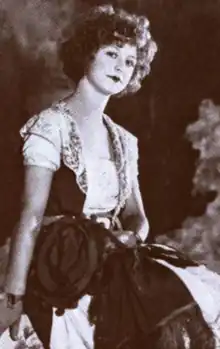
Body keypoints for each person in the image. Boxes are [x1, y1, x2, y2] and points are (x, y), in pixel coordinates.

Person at [2, 4, 220, 349]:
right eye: (112, 53)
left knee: (193, 296)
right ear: (87, 54)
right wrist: (12, 299)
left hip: (109, 261)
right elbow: (30, 217)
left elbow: (138, 216)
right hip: (58, 265)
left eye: (130, 61)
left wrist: (125, 238)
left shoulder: (124, 140)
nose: (121, 66)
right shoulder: (51, 126)